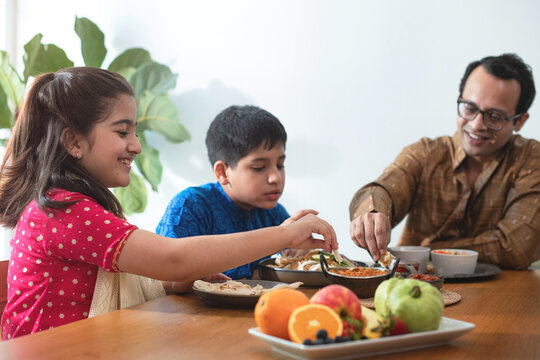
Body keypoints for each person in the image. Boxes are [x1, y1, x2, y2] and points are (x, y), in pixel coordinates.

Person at [0, 67, 337, 339]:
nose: (136, 146)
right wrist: (284, 235)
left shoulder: (77, 205)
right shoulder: (64, 211)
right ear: (73, 141)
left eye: (135, 132)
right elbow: (173, 257)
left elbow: (162, 271)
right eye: (122, 133)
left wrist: (177, 282)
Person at [349, 53, 540, 270]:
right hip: (415, 291)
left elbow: (517, 246)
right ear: (460, 98)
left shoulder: (532, 160)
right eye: (469, 108)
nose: (477, 125)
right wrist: (372, 212)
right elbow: (383, 189)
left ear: (520, 121)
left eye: (494, 116)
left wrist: (425, 250)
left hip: (503, 298)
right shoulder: (426, 153)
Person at [156, 105, 316, 279]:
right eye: (259, 167)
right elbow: (165, 278)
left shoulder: (275, 215)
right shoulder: (189, 206)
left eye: (280, 165)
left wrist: (303, 257)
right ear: (223, 173)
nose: (275, 178)